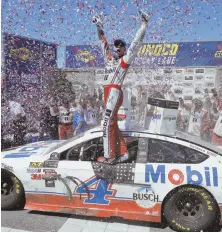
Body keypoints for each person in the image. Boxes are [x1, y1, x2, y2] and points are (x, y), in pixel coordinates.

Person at [93, 10, 151, 163]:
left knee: (106, 124)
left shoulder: (125, 60)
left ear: (124, 49)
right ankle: (123, 153)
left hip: (114, 91)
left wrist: (144, 24)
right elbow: (102, 42)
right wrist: (99, 26)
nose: (117, 47)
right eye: (116, 46)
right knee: (112, 124)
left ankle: (109, 156)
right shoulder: (109, 59)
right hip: (107, 93)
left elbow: (136, 43)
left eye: (121, 46)